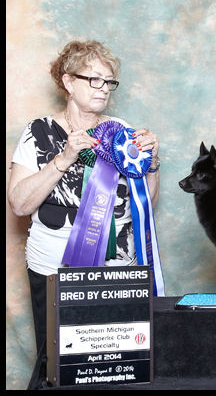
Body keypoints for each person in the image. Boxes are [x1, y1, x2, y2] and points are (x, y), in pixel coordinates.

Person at [7, 40, 162, 389]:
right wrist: (64, 158)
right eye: (94, 79)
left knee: (117, 367)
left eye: (109, 81)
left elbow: (145, 204)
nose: (103, 88)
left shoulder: (121, 131)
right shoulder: (38, 132)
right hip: (56, 271)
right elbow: (19, 204)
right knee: (59, 367)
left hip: (118, 272)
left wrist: (152, 163)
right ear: (68, 81)